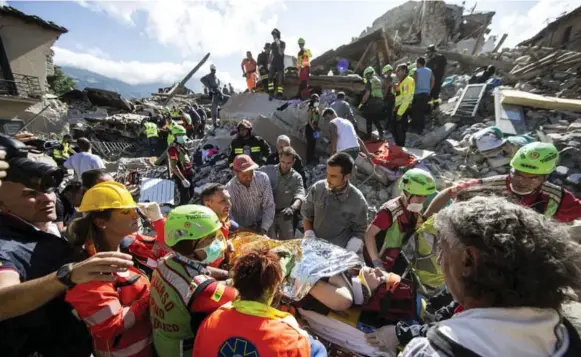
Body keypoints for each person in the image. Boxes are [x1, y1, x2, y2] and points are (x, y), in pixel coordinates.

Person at [400, 196, 581, 356]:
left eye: (442, 249)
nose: (439, 260)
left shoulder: (433, 350)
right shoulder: (564, 335)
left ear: (468, 260)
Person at [0, 156, 134, 357]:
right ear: (3, 205)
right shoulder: (6, 244)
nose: (47, 199)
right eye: (30, 194)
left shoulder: (44, 222)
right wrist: (66, 276)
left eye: (48, 190)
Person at [65, 182, 156, 357]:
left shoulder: (125, 243)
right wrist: (151, 296)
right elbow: (111, 325)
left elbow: (165, 248)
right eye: (125, 212)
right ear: (101, 222)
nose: (135, 214)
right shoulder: (89, 271)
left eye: (133, 209)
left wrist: (158, 220)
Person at [193, 249, 327, 357]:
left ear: (236, 284)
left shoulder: (211, 321)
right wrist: (304, 331)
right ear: (273, 288)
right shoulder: (292, 338)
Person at [150, 205, 238, 357]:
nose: (216, 242)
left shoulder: (168, 261)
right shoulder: (201, 289)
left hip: (162, 342)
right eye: (210, 238)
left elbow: (200, 271)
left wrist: (229, 274)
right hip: (184, 351)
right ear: (189, 244)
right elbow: (236, 295)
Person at [425, 142, 581, 222]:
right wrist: (424, 219)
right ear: (510, 170)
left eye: (532, 178)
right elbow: (449, 192)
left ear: (545, 178)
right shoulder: (490, 185)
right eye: (518, 174)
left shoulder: (556, 197)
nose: (522, 182)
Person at [364, 169, 443, 288]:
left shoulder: (413, 209)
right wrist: (376, 263)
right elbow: (369, 234)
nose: (422, 200)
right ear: (406, 192)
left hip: (397, 257)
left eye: (424, 196)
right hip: (379, 260)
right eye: (418, 196)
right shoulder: (389, 212)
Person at [302, 152, 368, 250]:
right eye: (327, 174)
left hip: (338, 254)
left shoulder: (358, 201)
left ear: (346, 177)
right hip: (314, 247)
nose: (328, 179)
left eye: (333, 176)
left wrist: (350, 250)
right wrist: (309, 234)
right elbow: (307, 215)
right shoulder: (318, 189)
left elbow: (360, 231)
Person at [261, 146, 305, 240]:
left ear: (293, 162)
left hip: (285, 214)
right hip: (269, 213)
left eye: (289, 163)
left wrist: (292, 208)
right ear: (280, 159)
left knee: (287, 244)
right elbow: (253, 174)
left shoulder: (297, 177)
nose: (285, 165)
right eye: (283, 162)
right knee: (269, 243)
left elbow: (300, 195)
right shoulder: (267, 170)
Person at [226, 155, 275, 234]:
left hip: (263, 225)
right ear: (236, 173)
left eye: (251, 173)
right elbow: (229, 216)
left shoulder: (262, 179)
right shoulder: (229, 189)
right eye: (244, 175)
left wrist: (263, 229)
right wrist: (244, 231)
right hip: (242, 230)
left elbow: (269, 205)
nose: (249, 178)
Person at [167, 125, 194, 205]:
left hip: (188, 174)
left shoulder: (181, 146)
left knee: (191, 195)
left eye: (183, 134)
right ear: (175, 136)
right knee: (185, 198)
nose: (183, 136)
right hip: (182, 176)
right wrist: (183, 179)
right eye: (181, 135)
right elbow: (174, 166)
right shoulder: (173, 149)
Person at [391, 64, 415, 147]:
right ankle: (399, 146)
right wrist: (395, 88)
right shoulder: (401, 82)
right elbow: (398, 95)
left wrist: (400, 113)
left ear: (404, 71)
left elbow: (406, 98)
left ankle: (401, 147)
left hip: (402, 109)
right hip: (398, 107)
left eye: (398, 70)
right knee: (394, 129)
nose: (396, 72)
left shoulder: (407, 81)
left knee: (400, 129)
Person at [359, 66, 384, 139]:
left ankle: (368, 136)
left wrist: (361, 103)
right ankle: (381, 133)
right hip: (380, 102)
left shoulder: (369, 82)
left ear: (367, 74)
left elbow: (367, 94)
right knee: (375, 118)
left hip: (373, 102)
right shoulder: (377, 80)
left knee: (369, 119)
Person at [411, 57, 433, 134]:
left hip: (418, 94)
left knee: (416, 112)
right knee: (422, 112)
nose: (416, 65)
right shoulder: (429, 71)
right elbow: (433, 81)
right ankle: (421, 129)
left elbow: (414, 82)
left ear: (419, 63)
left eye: (416, 63)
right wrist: (429, 89)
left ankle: (418, 129)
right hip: (426, 94)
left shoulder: (416, 71)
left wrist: (412, 93)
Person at [200, 64, 223, 129]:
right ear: (211, 70)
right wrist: (209, 87)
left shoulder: (215, 77)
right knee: (214, 109)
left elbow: (218, 83)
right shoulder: (209, 76)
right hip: (214, 94)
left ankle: (219, 121)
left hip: (219, 93)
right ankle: (214, 123)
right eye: (213, 70)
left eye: (214, 70)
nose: (214, 71)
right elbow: (202, 79)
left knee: (220, 108)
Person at [268, 28, 286, 100]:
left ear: (278, 35)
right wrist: (269, 61)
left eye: (274, 35)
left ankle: (280, 93)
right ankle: (271, 92)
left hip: (280, 64)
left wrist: (278, 45)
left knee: (280, 79)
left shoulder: (282, 43)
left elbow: (281, 53)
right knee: (270, 77)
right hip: (274, 63)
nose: (273, 37)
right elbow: (272, 54)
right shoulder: (272, 44)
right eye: (273, 35)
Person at [305, 93, 320, 164]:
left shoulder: (317, 108)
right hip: (310, 129)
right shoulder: (311, 108)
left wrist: (316, 128)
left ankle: (312, 157)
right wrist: (313, 128)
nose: (317, 100)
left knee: (314, 144)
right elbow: (309, 120)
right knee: (310, 144)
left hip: (315, 129)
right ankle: (308, 160)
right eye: (316, 99)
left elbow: (316, 119)